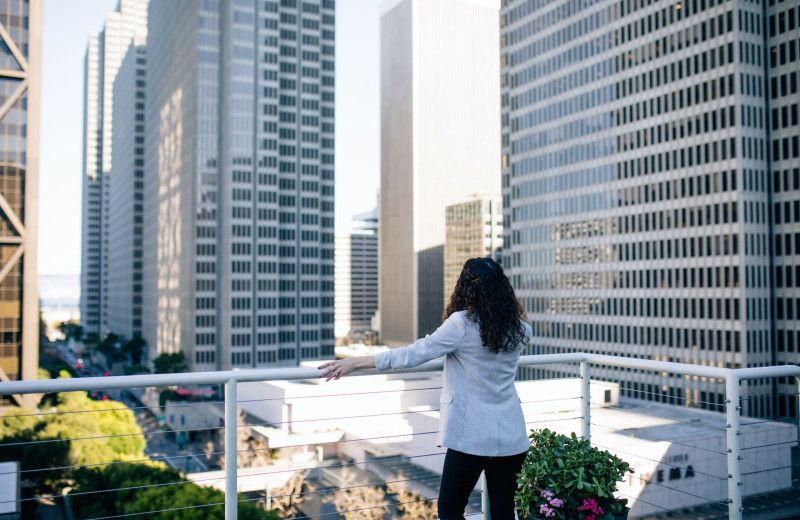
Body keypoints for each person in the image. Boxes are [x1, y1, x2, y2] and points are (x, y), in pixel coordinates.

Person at [318, 257, 532, 520]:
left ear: (466, 287)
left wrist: (356, 362)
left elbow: (413, 354)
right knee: (503, 512)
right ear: (502, 286)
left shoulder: (462, 324)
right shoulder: (521, 329)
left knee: (450, 509)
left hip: (470, 437)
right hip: (511, 436)